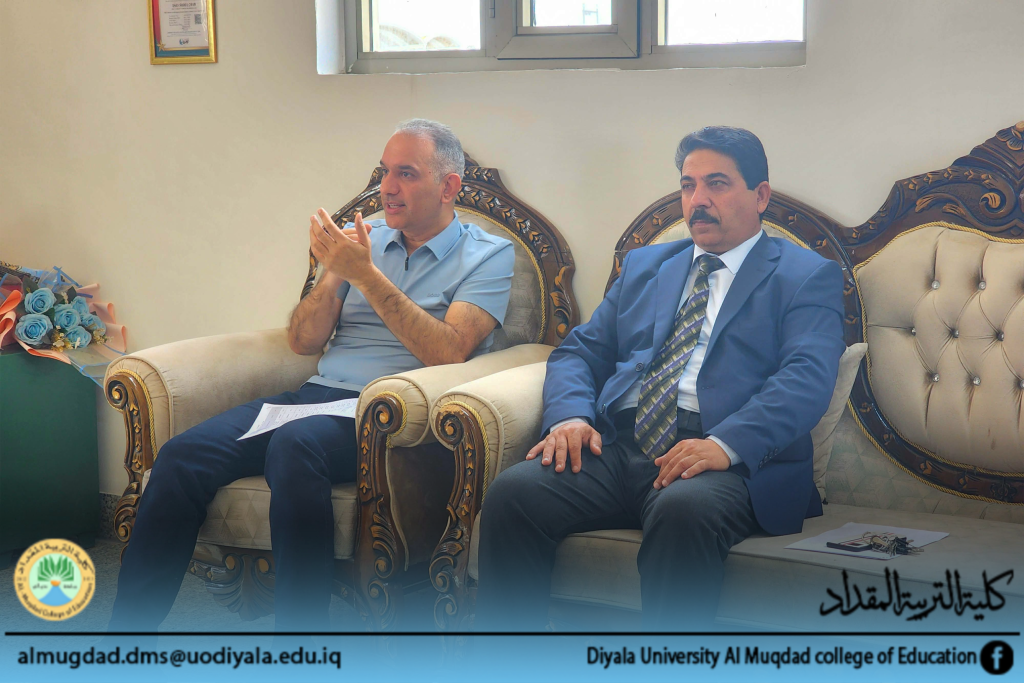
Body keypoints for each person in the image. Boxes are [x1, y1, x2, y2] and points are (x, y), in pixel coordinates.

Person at [108, 119, 515, 632]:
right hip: (316, 397)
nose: (387, 187)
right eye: (385, 172)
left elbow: (449, 351)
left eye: (406, 174)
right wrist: (338, 271)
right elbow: (303, 341)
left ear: (448, 185)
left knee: (295, 444)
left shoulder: (489, 255)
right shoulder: (364, 241)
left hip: (392, 415)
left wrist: (367, 275)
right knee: (182, 456)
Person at [476, 126, 846, 631]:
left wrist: (725, 445)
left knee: (683, 510)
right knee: (513, 494)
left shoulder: (804, 275)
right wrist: (570, 417)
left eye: (717, 184)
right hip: (620, 446)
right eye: (688, 185)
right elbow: (580, 352)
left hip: (725, 463)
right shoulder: (646, 265)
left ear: (760, 196)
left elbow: (807, 379)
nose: (698, 200)